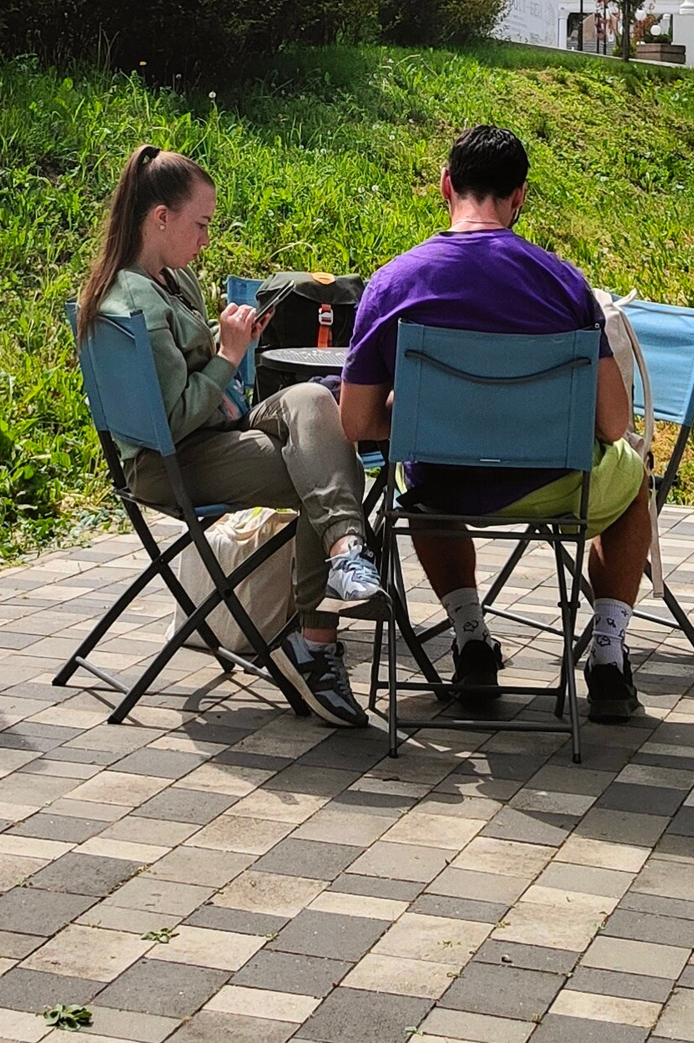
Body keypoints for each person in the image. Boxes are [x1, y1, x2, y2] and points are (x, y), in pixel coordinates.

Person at [340, 120, 652, 726]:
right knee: (634, 479)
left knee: (412, 479)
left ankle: (471, 640)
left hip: (443, 489)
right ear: (520, 197)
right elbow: (614, 423)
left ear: (445, 184)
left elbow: (355, 422)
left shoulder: (393, 283)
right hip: (553, 483)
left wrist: (427, 412)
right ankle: (608, 652)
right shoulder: (563, 282)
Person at [78, 143, 382, 728]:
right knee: (325, 466)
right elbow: (172, 419)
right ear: (159, 218)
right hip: (171, 461)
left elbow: (194, 379)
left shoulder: (171, 280)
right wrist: (231, 354)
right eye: (200, 224)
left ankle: (344, 557)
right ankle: (316, 639)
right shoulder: (131, 304)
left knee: (314, 400)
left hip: (216, 435)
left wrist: (230, 345)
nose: (206, 239)